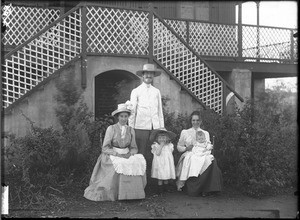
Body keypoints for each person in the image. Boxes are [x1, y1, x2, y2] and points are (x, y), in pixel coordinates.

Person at [84, 102, 147, 201]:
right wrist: (116, 154)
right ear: (118, 117)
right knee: (118, 164)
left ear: (128, 117)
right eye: (121, 116)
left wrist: (129, 154)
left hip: (126, 154)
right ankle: (117, 193)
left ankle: (132, 194)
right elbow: (105, 147)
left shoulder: (131, 130)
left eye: (126, 116)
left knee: (137, 162)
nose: (124, 119)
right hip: (113, 154)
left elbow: (134, 147)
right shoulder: (111, 128)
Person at [128, 63, 164, 176]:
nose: (149, 75)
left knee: (155, 155)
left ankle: (153, 181)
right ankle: (140, 181)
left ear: (153, 76)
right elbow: (132, 112)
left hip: (155, 128)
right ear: (142, 75)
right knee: (141, 154)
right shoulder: (136, 91)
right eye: (146, 73)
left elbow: (159, 111)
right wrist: (131, 128)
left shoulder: (156, 91)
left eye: (151, 73)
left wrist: (161, 128)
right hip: (140, 128)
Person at [176, 111, 223, 197]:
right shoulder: (185, 132)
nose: (195, 122)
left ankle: (208, 188)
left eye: (198, 120)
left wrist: (207, 149)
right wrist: (186, 148)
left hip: (202, 152)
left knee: (210, 159)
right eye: (193, 120)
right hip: (190, 153)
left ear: (201, 121)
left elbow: (207, 145)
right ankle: (194, 188)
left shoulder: (205, 133)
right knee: (193, 160)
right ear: (191, 121)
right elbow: (179, 147)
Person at [149, 128, 176, 194]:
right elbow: (158, 153)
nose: (162, 139)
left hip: (166, 164)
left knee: (166, 176)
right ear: (157, 139)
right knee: (160, 177)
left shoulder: (170, 145)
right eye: (160, 138)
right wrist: (161, 146)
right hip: (159, 164)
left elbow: (170, 154)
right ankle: (160, 189)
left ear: (167, 138)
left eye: (164, 138)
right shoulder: (155, 145)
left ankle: (166, 188)